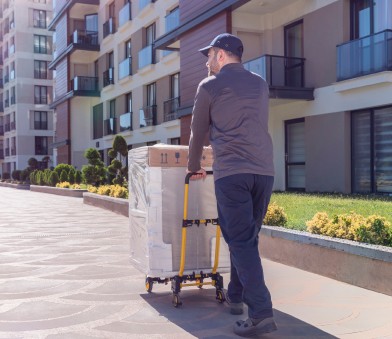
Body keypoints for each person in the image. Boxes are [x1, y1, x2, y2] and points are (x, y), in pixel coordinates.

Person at [187, 33, 277, 337]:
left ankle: (262, 312)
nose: (206, 61)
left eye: (209, 55)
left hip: (233, 173)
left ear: (221, 55)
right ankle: (236, 297)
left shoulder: (209, 86)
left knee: (240, 240)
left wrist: (193, 166)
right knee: (246, 237)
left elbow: (198, 131)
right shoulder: (260, 83)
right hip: (264, 172)